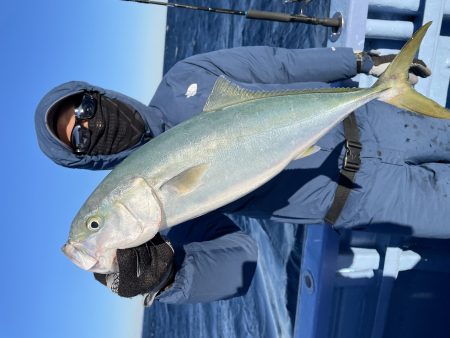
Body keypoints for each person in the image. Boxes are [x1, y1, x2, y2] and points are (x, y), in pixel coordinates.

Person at [35, 46, 441, 304]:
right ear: (86, 161)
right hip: (366, 198)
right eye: (80, 140)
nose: (91, 126)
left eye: (84, 110)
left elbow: (279, 66)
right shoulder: (168, 224)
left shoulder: (185, 77)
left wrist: (361, 62)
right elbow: (238, 262)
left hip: (374, 118)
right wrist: (166, 278)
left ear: (99, 94)